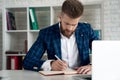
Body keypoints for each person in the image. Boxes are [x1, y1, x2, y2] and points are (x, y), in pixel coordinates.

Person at [23, 0, 99, 74]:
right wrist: (51, 64)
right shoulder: (46, 33)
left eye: (74, 25)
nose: (70, 28)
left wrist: (93, 66)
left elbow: (104, 54)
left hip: (82, 76)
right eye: (67, 23)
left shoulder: (87, 30)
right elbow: (27, 61)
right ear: (60, 17)